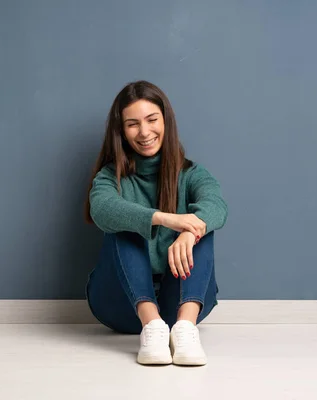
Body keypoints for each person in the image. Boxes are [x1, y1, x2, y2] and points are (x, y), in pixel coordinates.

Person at [84, 80, 228, 366]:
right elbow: (101, 209)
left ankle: (185, 330)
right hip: (121, 305)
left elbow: (217, 206)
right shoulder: (109, 177)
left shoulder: (192, 173)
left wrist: (190, 231)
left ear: (166, 121)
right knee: (123, 220)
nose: (145, 132)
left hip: (180, 304)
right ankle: (152, 327)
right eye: (133, 124)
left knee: (200, 225)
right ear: (121, 131)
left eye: (152, 120)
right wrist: (162, 218)